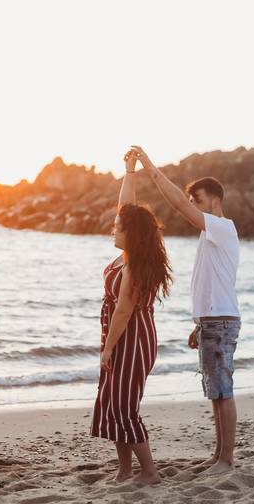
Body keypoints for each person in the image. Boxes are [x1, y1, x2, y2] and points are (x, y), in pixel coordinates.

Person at [131, 146, 241, 476]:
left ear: (214, 201)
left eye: (198, 200)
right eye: (193, 201)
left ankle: (226, 460)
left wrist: (150, 167)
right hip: (213, 319)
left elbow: (178, 204)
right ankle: (218, 455)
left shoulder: (222, 227)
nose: (192, 205)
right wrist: (199, 323)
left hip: (220, 320)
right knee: (214, 391)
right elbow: (211, 283)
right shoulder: (211, 236)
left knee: (223, 390)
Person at [89, 149, 173, 485]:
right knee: (113, 403)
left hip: (132, 338)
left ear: (131, 234)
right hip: (121, 333)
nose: (113, 230)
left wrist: (108, 349)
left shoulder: (135, 265)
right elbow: (128, 209)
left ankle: (149, 472)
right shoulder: (129, 254)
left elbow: (124, 311)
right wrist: (129, 172)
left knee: (124, 407)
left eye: (117, 228)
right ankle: (125, 470)